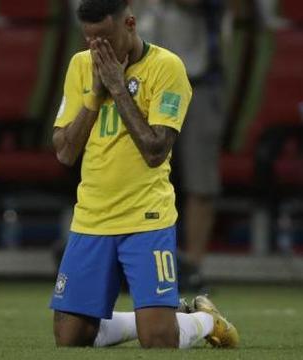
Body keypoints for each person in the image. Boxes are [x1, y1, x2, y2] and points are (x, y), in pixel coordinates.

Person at [50, 0, 239, 349]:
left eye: (105, 38)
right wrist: (95, 95)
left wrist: (118, 88)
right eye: (90, 41)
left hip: (146, 218)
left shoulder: (167, 67)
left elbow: (155, 151)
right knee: (70, 338)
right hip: (92, 217)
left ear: (130, 23)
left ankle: (204, 320)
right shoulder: (81, 66)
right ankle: (160, 316)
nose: (97, 49)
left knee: (159, 341)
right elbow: (64, 151)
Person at [134, 0, 227, 293]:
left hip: (197, 80)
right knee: (139, 176)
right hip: (143, 83)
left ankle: (194, 267)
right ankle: (140, 262)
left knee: (200, 179)